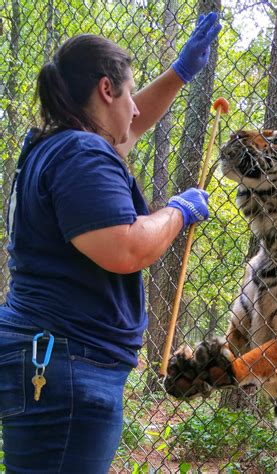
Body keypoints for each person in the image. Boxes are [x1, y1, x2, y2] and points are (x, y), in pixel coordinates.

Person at [0, 12, 221, 473]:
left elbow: (130, 126)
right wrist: (178, 211)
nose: (136, 109)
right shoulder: (81, 156)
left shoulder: (52, 145)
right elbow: (126, 248)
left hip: (52, 358)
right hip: (67, 368)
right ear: (105, 89)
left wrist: (179, 74)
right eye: (128, 93)